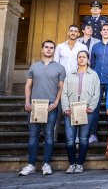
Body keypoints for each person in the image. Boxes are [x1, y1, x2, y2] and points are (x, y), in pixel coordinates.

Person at [18, 40, 66, 176]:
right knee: (33, 136)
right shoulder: (34, 66)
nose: (49, 49)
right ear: (42, 49)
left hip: (51, 105)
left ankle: (46, 164)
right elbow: (28, 85)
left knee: (49, 135)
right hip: (34, 105)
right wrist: (27, 102)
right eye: (46, 47)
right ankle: (31, 164)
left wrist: (56, 102)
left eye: (51, 48)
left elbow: (61, 87)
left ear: (54, 50)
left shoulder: (60, 68)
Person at [61, 50, 100, 174]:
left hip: (86, 110)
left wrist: (91, 107)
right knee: (70, 139)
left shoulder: (93, 75)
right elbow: (64, 93)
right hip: (71, 110)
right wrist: (66, 107)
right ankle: (72, 163)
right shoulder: (70, 74)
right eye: (79, 57)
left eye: (84, 57)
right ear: (77, 59)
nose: (81, 59)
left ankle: (80, 164)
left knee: (83, 138)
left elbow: (96, 93)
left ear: (88, 60)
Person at [54, 25, 88, 142]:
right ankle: (53, 136)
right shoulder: (59, 47)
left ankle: (77, 137)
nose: (73, 33)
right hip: (61, 81)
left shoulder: (83, 47)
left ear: (79, 34)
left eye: (75, 31)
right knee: (58, 110)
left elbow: (85, 63)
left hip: (76, 80)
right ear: (68, 32)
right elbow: (56, 63)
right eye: (71, 31)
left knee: (76, 108)